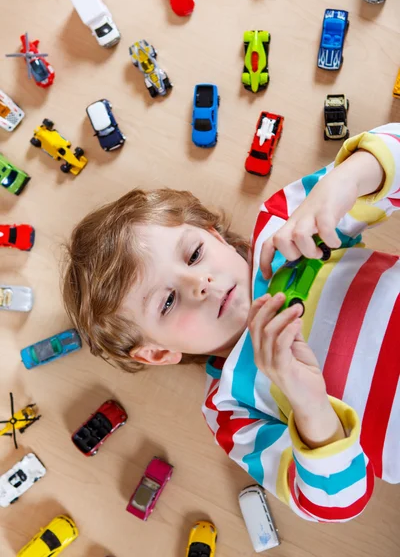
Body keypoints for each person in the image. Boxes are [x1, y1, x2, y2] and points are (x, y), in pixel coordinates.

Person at [62, 123, 400, 523]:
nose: (199, 283)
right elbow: (336, 503)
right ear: (157, 351)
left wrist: (350, 178)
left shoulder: (284, 232)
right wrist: (310, 405)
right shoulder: (228, 408)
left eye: (193, 254)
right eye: (168, 301)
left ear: (214, 235)